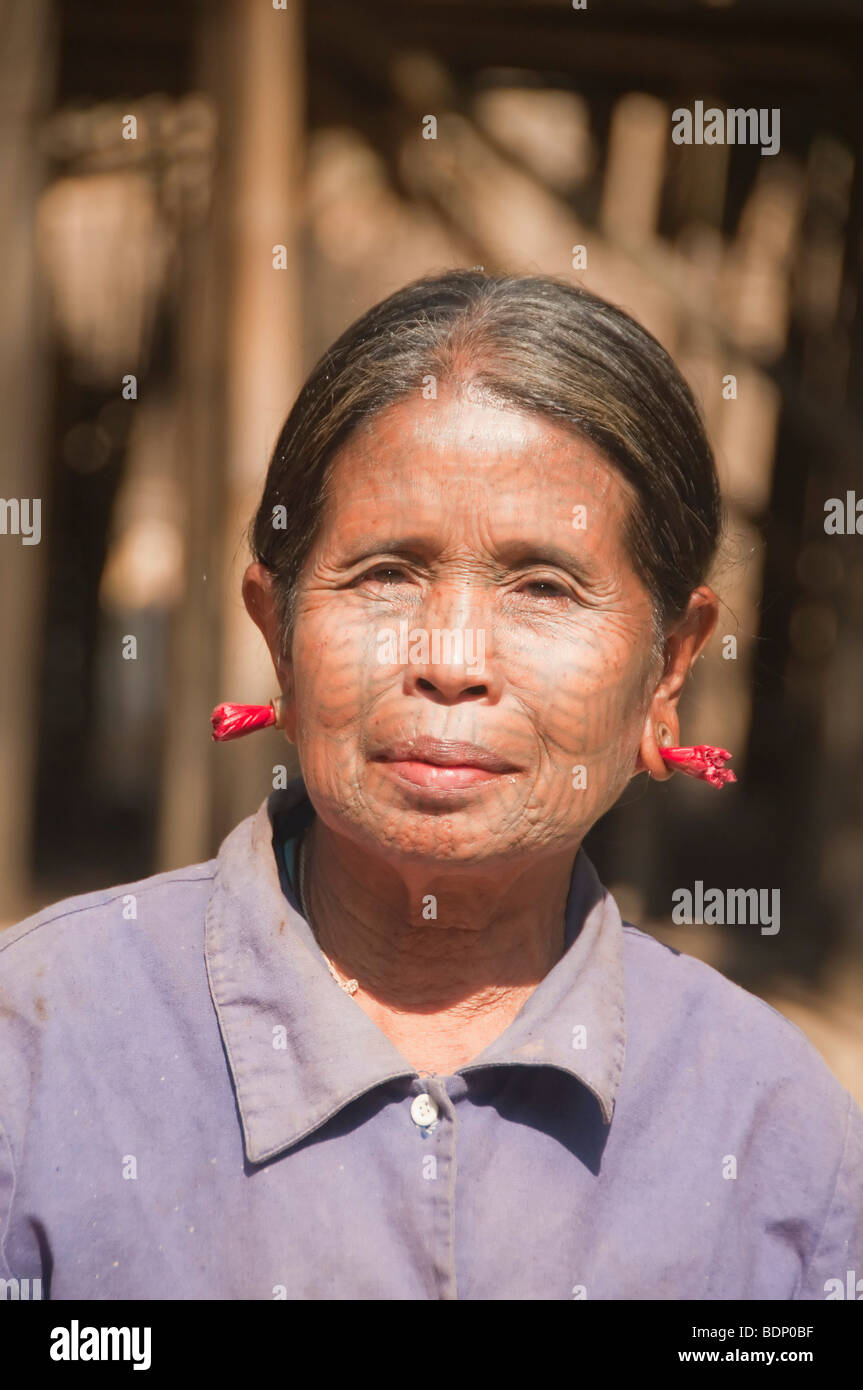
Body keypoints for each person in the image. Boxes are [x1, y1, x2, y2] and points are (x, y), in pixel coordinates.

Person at [1, 270, 860, 1300]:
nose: (449, 659)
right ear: (275, 632)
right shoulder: (42, 1050)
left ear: (667, 666)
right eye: (384, 574)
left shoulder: (771, 1134)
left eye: (542, 586)